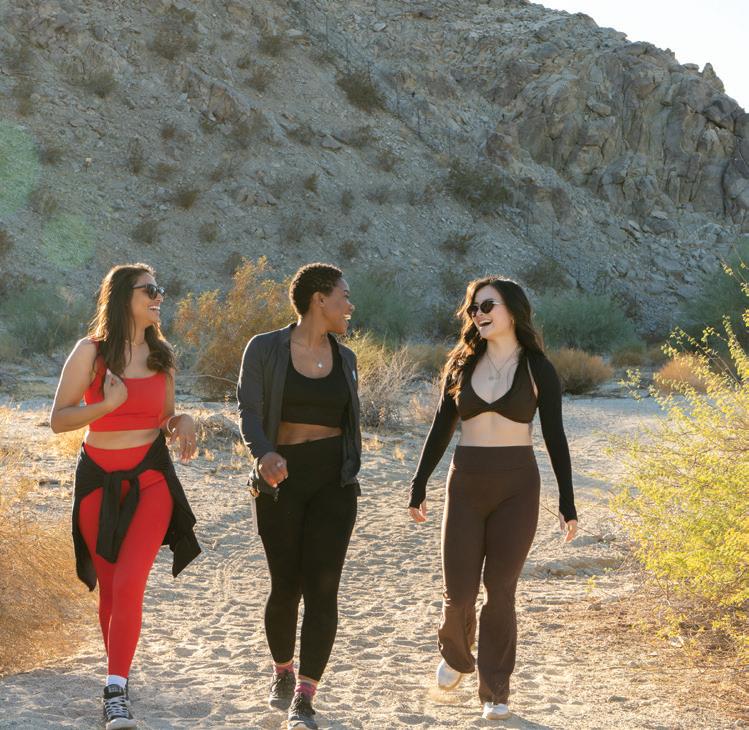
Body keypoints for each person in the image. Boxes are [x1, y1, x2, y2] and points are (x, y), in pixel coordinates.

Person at [408, 276, 578, 722]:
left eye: (487, 306)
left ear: (512, 311)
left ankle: (495, 691)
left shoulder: (538, 368)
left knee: (500, 591)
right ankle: (456, 654)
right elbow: (441, 428)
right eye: (473, 308)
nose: (478, 314)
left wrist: (568, 501)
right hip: (465, 484)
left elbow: (555, 436)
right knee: (459, 593)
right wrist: (419, 482)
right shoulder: (461, 365)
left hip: (517, 488)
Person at [50, 263, 200, 729]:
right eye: (149, 290)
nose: (158, 297)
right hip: (98, 481)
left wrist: (183, 422)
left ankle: (115, 692)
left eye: (160, 289)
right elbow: (59, 419)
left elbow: (165, 419)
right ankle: (120, 675)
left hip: (151, 481)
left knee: (131, 581)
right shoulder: (90, 353)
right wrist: (106, 405)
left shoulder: (162, 355)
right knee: (112, 588)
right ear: (121, 298)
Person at [237, 262, 360, 730]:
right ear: (318, 299)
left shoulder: (346, 359)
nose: (349, 306)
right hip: (280, 479)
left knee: (323, 588)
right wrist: (263, 454)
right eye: (343, 296)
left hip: (334, 482)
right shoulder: (265, 348)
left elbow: (349, 423)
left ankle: (305, 697)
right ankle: (282, 671)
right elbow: (249, 411)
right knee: (286, 585)